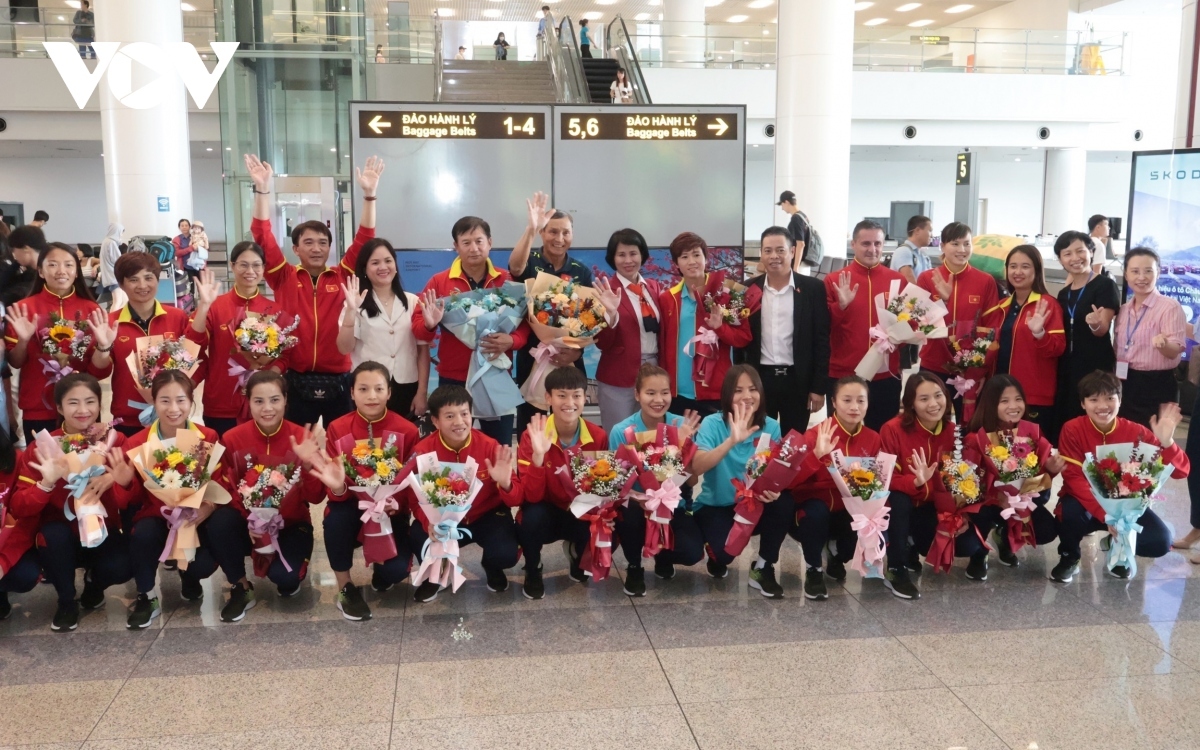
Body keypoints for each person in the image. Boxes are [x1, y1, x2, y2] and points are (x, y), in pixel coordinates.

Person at [245, 153, 384, 428]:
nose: (317, 248)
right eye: (308, 243)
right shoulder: (283, 276)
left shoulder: (343, 276)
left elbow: (365, 237)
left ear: (330, 247)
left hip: (340, 379)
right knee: (296, 444)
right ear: (296, 249)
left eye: (322, 242)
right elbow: (262, 234)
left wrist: (370, 196)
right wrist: (262, 189)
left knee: (343, 444)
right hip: (295, 377)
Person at [108, 371, 250, 629]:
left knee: (210, 549)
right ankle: (146, 596)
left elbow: (222, 484)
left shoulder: (207, 437)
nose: (173, 409)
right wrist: (126, 482)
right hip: (159, 516)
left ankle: (238, 586)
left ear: (191, 401)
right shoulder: (139, 442)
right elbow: (128, 501)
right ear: (153, 402)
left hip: (197, 519)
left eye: (181, 400)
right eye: (165, 400)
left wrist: (208, 507)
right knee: (143, 533)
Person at [9, 374, 132, 631]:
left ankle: (94, 585)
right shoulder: (43, 447)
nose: (83, 410)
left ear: (100, 404)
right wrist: (46, 483)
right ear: (59, 407)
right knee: (54, 535)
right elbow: (19, 506)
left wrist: (116, 480)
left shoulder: (115, 441)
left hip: (102, 529)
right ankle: (66, 601)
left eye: (90, 401)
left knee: (123, 565)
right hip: (60, 535)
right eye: (73, 403)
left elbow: (130, 500)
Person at [305, 361, 419, 621]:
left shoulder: (407, 430)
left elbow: (412, 484)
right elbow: (334, 484)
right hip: (351, 507)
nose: (371, 396)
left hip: (389, 513)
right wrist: (338, 487)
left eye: (379, 389)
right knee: (334, 520)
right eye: (363, 389)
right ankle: (345, 587)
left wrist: (394, 504)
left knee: (395, 572)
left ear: (389, 392)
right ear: (352, 392)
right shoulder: (338, 428)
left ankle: (382, 570)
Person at [1052, 371, 1187, 583]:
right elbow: (1074, 479)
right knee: (1069, 512)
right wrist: (1107, 516)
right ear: (1083, 404)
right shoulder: (1072, 429)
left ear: (1120, 400)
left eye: (1109, 398)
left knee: (1160, 541)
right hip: (1085, 504)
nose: (1102, 406)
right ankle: (1070, 557)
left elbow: (1181, 472)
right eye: (1094, 400)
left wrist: (1167, 442)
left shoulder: (1137, 432)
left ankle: (1118, 548)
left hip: (1127, 509)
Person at [413, 216, 530, 446]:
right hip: (453, 379)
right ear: (455, 246)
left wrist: (513, 340)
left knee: (499, 446)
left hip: (496, 376)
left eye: (479, 241)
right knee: (452, 445)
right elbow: (418, 329)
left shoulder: (507, 281)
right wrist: (429, 324)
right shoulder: (439, 282)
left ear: (490, 242)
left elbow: (526, 322)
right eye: (466, 243)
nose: (474, 248)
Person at [217, 370, 325, 605]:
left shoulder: (302, 438)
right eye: (259, 401)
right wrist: (250, 521)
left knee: (286, 579)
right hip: (248, 527)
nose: (267, 408)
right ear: (248, 402)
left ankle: (290, 567)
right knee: (222, 521)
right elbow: (227, 490)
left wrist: (309, 466)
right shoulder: (232, 439)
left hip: (291, 524)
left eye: (275, 400)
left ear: (286, 399)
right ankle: (241, 585)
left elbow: (316, 498)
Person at [407, 385, 522, 603]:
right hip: (444, 522)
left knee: (505, 553)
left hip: (486, 516)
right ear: (435, 421)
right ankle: (437, 574)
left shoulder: (490, 447)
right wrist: (428, 523)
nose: (459, 422)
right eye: (449, 416)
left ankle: (492, 566)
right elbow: (415, 501)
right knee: (418, 537)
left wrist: (505, 483)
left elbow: (516, 499)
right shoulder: (423, 452)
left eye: (464, 414)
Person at [691, 365, 795, 598]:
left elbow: (775, 471)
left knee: (783, 502)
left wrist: (775, 490)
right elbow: (697, 467)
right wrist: (731, 441)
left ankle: (763, 567)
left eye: (752, 389)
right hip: (718, 505)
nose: (747, 396)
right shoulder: (712, 424)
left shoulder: (771, 426)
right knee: (724, 556)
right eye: (738, 390)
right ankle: (715, 553)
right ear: (727, 395)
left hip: (753, 504)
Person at [4, 242, 116, 443]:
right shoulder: (24, 309)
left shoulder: (92, 310)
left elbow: (99, 372)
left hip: (83, 409)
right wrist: (24, 340)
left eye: (68, 265)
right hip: (38, 406)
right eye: (53, 264)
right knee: (42, 460)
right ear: (40, 271)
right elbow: (15, 362)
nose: (61, 271)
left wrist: (104, 346)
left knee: (87, 460)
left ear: (77, 271)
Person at [607, 364, 704, 584]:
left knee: (692, 551)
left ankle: (663, 556)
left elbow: (692, 480)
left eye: (664, 392)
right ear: (637, 394)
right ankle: (634, 566)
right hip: (637, 507)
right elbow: (617, 485)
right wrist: (641, 498)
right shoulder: (622, 431)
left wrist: (683, 446)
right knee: (629, 514)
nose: (658, 400)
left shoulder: (681, 425)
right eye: (650, 393)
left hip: (672, 507)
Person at [515, 367, 606, 599]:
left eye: (576, 395)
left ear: (585, 397)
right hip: (545, 510)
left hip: (578, 511)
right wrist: (538, 457)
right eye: (561, 395)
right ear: (548, 398)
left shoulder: (598, 436)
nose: (570, 403)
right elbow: (531, 496)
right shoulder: (532, 436)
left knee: (605, 528)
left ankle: (577, 554)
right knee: (531, 517)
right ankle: (533, 567)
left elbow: (600, 490)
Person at [507, 192, 593, 435]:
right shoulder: (530, 261)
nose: (559, 238)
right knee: (530, 426)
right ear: (543, 233)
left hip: (569, 359)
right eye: (553, 231)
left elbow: (588, 319)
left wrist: (576, 351)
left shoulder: (581, 271)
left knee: (569, 424)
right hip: (532, 356)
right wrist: (530, 229)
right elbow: (515, 268)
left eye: (566, 232)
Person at [962, 374, 1064, 574]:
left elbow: (1038, 483)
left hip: (1019, 502)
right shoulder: (975, 438)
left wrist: (1050, 471)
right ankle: (979, 553)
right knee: (979, 513)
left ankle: (1005, 539)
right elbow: (969, 487)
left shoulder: (1031, 433)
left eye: (1018, 399)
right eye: (1004, 401)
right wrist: (996, 497)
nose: (1013, 406)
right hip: (988, 504)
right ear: (991, 404)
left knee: (1046, 530)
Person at [789, 376, 881, 600]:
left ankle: (835, 553)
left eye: (861, 401)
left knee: (863, 523)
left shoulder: (873, 439)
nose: (854, 407)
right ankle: (813, 569)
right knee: (816, 513)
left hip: (847, 510)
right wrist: (816, 455)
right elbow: (790, 481)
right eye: (847, 400)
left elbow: (877, 486)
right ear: (834, 402)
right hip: (811, 510)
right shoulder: (815, 435)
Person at [107, 254, 216, 437]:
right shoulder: (111, 323)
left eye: (148, 278)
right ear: (121, 284)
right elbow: (98, 371)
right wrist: (102, 347)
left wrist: (180, 389)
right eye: (133, 279)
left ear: (158, 280)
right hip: (128, 418)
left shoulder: (177, 317)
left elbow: (197, 358)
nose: (142, 285)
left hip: (173, 415)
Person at [736, 226, 829, 435]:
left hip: (798, 381)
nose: (774, 256)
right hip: (759, 380)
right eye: (768, 250)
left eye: (780, 250)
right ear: (761, 253)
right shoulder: (748, 290)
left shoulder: (813, 289)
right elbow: (740, 342)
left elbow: (821, 340)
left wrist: (818, 387)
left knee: (793, 443)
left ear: (792, 251)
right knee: (758, 441)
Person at [877, 372, 958, 599]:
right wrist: (915, 482)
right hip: (900, 503)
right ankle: (896, 568)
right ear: (910, 403)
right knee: (899, 501)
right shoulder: (892, 429)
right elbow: (884, 477)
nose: (933, 404)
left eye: (938, 395)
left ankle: (913, 545)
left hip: (932, 505)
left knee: (966, 545)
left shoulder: (953, 432)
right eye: (924, 399)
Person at [197, 241, 289, 436]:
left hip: (263, 404)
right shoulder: (216, 306)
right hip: (221, 399)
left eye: (256, 265)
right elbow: (195, 342)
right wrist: (204, 306)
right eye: (243, 265)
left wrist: (267, 375)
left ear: (264, 268)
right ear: (232, 266)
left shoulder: (275, 310)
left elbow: (285, 356)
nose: (250, 271)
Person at [659, 232, 753, 419]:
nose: (691, 261)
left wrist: (720, 328)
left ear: (706, 258)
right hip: (677, 393)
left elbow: (744, 338)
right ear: (676, 264)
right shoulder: (667, 299)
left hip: (715, 391)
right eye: (684, 257)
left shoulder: (728, 294)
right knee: (680, 438)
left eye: (696, 254)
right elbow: (662, 347)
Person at [824, 220, 905, 432]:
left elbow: (909, 323)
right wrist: (841, 306)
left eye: (877, 243)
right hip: (844, 373)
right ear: (853, 244)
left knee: (884, 434)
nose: (872, 249)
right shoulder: (834, 280)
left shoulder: (897, 281)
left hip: (885, 375)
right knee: (840, 435)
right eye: (866, 243)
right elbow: (823, 328)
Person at [337, 238, 430, 419]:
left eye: (388, 261)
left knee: (404, 434)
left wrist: (422, 392)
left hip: (407, 384)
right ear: (364, 268)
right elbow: (344, 348)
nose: (383, 267)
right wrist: (351, 312)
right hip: (368, 386)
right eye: (375, 263)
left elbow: (422, 350)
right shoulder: (355, 302)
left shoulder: (412, 301)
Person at [916, 222, 999, 422]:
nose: (962, 250)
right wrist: (943, 301)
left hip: (970, 369)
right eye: (955, 244)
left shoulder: (985, 281)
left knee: (967, 425)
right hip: (934, 364)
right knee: (932, 422)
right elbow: (921, 324)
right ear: (942, 246)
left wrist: (981, 370)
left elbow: (991, 327)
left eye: (967, 244)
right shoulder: (927, 278)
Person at [981, 245, 1065, 435]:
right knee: (997, 448)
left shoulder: (1047, 304)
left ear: (1037, 270)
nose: (1018, 272)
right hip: (998, 396)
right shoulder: (999, 307)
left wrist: (1039, 333)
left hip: (1032, 396)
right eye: (1013, 266)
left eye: (1025, 266)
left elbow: (1057, 349)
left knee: (1031, 449)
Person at [1053, 231, 1119, 436]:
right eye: (1067, 254)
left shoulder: (1105, 285)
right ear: (1061, 260)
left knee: (1093, 423)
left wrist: (1095, 324)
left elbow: (1102, 330)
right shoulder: (1063, 294)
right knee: (1067, 421)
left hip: (1094, 367)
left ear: (1091, 252)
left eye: (1080, 251)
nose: (1075, 258)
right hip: (1066, 368)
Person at [594, 228, 661, 430]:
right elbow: (602, 343)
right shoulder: (605, 291)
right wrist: (611, 313)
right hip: (618, 376)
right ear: (612, 258)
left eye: (633, 253)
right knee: (619, 435)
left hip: (654, 373)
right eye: (621, 255)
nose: (628, 260)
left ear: (642, 255)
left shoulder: (653, 288)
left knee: (650, 435)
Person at [1113, 247, 1186, 429]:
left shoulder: (1169, 307)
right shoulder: (1124, 310)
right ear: (1126, 274)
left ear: (1158, 273)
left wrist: (1164, 345)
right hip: (1124, 382)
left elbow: (1175, 350)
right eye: (1135, 271)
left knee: (1153, 440)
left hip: (1157, 385)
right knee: (1125, 436)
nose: (1141, 277)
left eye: (1148, 271)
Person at [0, 431, 40, 621]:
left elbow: (26, 521)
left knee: (25, 574)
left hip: (6, 545)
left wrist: (3, 562)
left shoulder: (15, 461)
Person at [0, 224, 45, 308]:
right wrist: (16, 264)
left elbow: (18, 292)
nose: (13, 254)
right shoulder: (29, 272)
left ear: (26, 248)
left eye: (14, 250)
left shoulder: (43, 274)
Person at [777, 191, 819, 268]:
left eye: (782, 205)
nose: (782, 208)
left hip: (799, 264)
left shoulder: (796, 218)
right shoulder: (803, 216)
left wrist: (796, 267)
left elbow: (800, 244)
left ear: (786, 202)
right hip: (804, 262)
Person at [891, 215, 932, 285]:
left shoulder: (923, 255)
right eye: (930, 231)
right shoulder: (903, 251)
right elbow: (910, 283)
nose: (932, 235)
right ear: (917, 231)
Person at [99, 222, 123, 299]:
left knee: (121, 300)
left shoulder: (106, 241)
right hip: (114, 277)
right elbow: (118, 261)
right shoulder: (111, 242)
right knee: (119, 301)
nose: (121, 235)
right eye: (121, 232)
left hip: (110, 277)